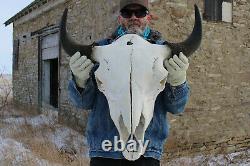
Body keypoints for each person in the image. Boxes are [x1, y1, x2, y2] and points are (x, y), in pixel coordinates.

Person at [68, 0, 190, 165]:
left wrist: (177, 81)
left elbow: (177, 107)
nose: (134, 17)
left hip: (148, 153)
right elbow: (83, 103)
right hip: (105, 152)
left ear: (149, 17)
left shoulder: (166, 55)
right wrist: (80, 80)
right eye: (127, 13)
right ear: (120, 18)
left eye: (140, 12)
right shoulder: (99, 50)